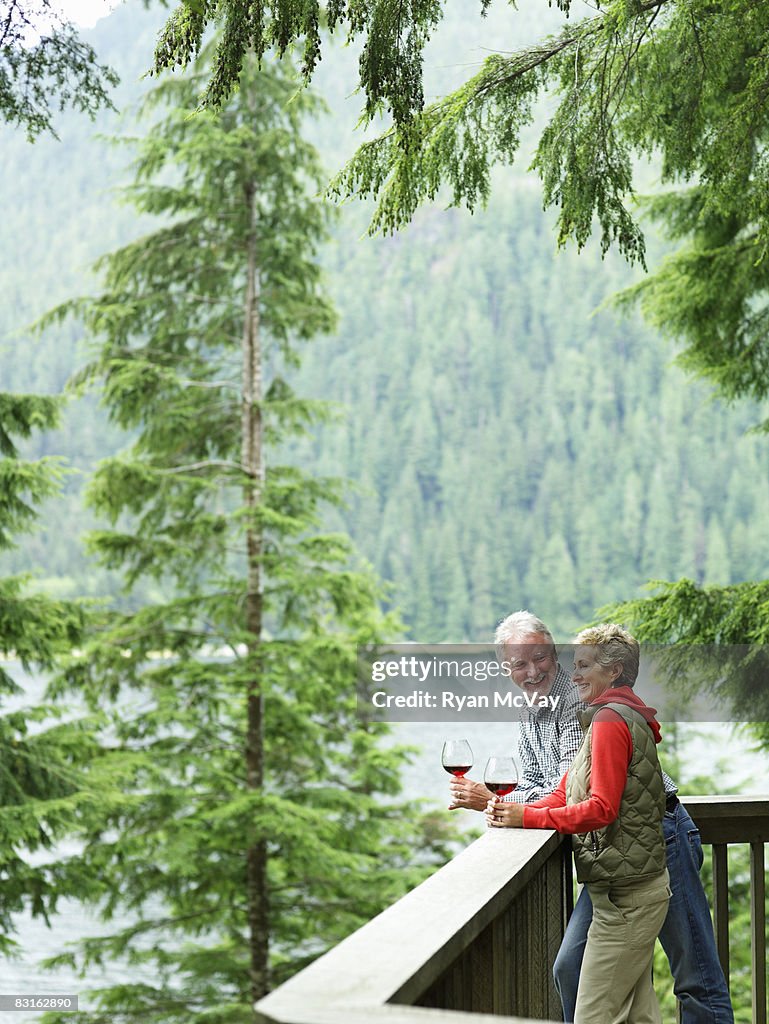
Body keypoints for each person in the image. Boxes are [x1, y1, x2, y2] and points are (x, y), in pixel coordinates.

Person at [487, 623, 671, 1023]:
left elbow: (601, 808)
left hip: (627, 896)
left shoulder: (608, 721)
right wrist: (521, 815)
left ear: (614, 671)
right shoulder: (604, 716)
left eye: (583, 665)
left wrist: (526, 814)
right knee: (639, 1014)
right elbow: (565, 791)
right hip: (623, 889)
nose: (573, 675)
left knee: (592, 1015)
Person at [448, 610, 583, 812]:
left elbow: (569, 792)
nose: (534, 672)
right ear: (505, 669)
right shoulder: (526, 708)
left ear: (554, 653)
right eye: (520, 664)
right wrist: (489, 794)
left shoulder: (576, 701)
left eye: (540, 658)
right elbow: (533, 779)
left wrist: (492, 799)